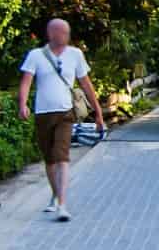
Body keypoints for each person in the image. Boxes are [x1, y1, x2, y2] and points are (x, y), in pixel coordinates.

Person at [18, 18, 104, 222]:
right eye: (59, 32)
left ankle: (62, 204)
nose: (63, 36)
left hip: (66, 113)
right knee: (50, 160)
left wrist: (98, 113)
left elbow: (86, 84)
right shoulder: (36, 56)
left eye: (66, 32)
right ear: (50, 34)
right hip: (43, 114)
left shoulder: (75, 55)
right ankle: (55, 195)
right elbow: (26, 82)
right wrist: (22, 104)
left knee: (62, 156)